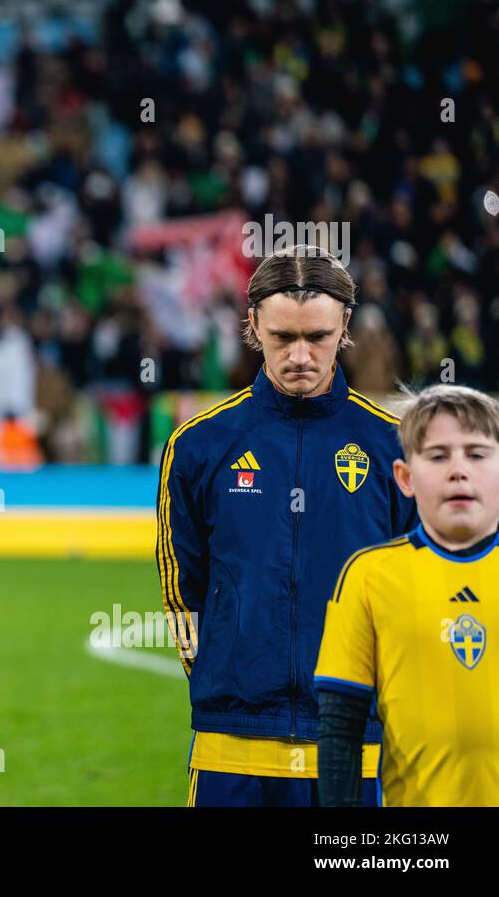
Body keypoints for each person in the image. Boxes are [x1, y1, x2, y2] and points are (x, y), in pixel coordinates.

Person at [158, 246, 417, 806]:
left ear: (345, 326)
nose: (300, 355)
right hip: (232, 743)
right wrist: (225, 674)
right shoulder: (200, 445)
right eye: (282, 338)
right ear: (252, 325)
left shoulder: (393, 446)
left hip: (359, 742)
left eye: (317, 337)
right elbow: (184, 591)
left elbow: (415, 588)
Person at [316, 384, 499, 805]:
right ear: (405, 477)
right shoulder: (370, 575)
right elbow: (341, 726)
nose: (458, 470)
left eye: (476, 454)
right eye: (437, 456)